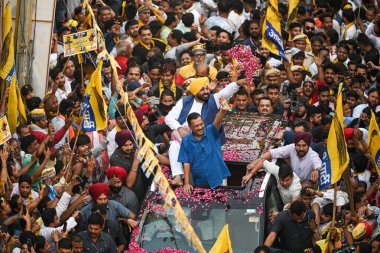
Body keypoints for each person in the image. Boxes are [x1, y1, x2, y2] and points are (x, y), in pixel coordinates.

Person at [178, 96, 231, 194]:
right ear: (190, 127)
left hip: (218, 178)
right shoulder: (186, 140)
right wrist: (186, 183)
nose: (200, 127)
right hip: (199, 181)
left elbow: (217, 121)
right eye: (196, 126)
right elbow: (186, 162)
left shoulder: (211, 131)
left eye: (201, 124)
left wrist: (223, 111)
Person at [248, 131, 322, 181]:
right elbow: (273, 153)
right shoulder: (291, 148)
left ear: (308, 145)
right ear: (295, 144)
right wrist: (255, 162)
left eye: (304, 146)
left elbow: (317, 163)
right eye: (298, 145)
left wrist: (316, 170)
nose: (301, 149)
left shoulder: (312, 155)